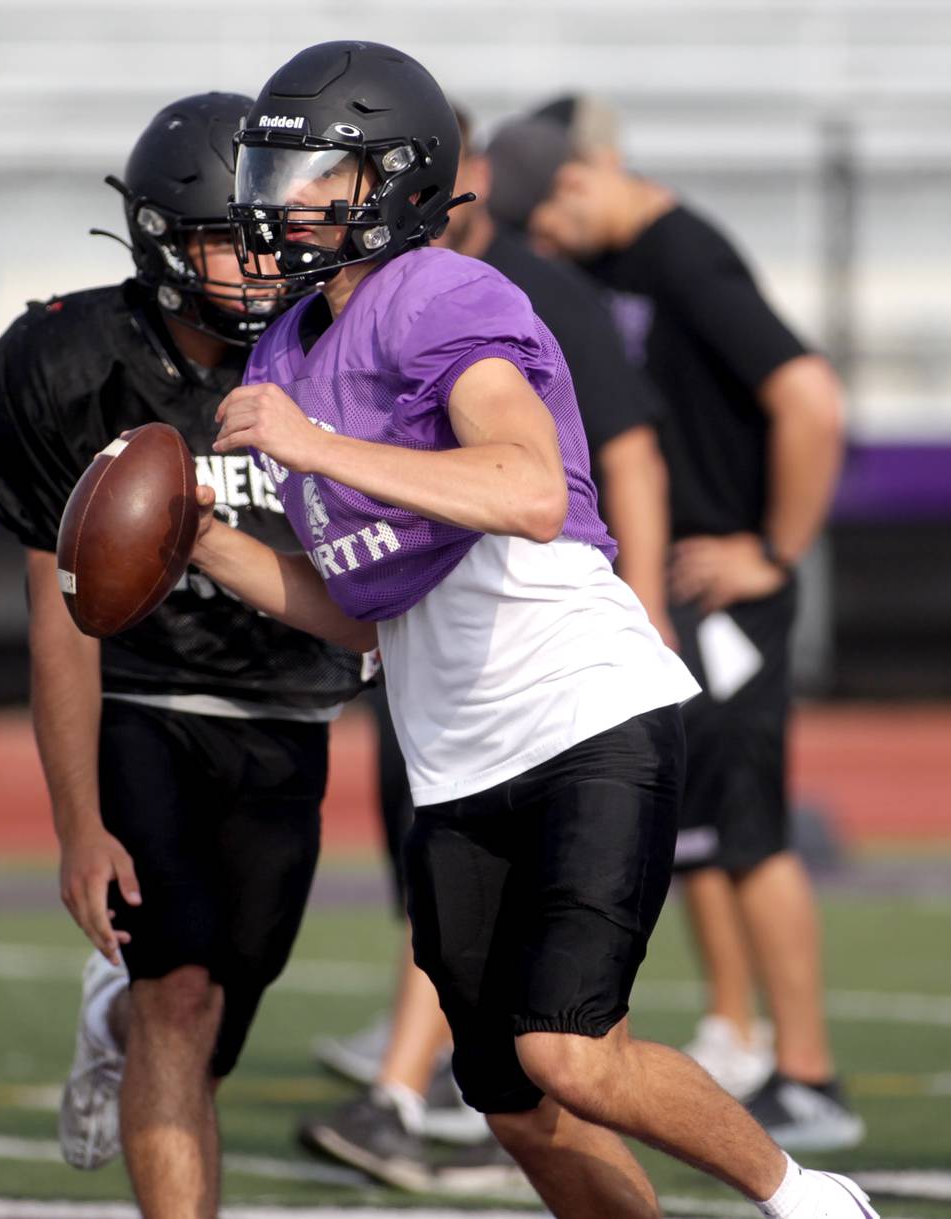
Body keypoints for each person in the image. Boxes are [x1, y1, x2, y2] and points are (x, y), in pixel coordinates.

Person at [194, 40, 880, 1219]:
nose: (282, 206)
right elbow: (359, 612)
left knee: (570, 1048)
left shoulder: (442, 292)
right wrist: (198, 545)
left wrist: (311, 447)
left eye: (316, 176)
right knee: (511, 1095)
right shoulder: (288, 345)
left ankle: (810, 1198)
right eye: (276, 175)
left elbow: (525, 488)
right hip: (459, 760)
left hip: (581, 718)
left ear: (393, 182)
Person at [0, 94, 367, 1219]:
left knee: (216, 1019)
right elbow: (62, 613)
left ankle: (118, 1024)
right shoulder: (72, 359)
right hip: (145, 699)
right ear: (160, 237)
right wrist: (78, 825)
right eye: (227, 238)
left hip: (290, 712)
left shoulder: (333, 356)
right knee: (179, 1000)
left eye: (270, 235)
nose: (257, 263)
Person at [298, 104, 675, 1192]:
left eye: (338, 173)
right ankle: (429, 1088)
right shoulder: (335, 321)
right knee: (506, 992)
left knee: (564, 1024)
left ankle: (398, 1094)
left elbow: (616, 457)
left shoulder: (503, 290)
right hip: (431, 656)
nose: (307, 199)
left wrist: (639, 595)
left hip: (547, 661)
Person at [523, 123, 859, 1148]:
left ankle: (808, 1073)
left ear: (583, 178)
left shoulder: (685, 253)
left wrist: (773, 548)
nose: (546, 244)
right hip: (686, 579)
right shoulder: (620, 261)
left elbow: (809, 397)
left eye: (546, 219)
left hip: (731, 585)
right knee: (702, 825)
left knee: (751, 830)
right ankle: (739, 1032)